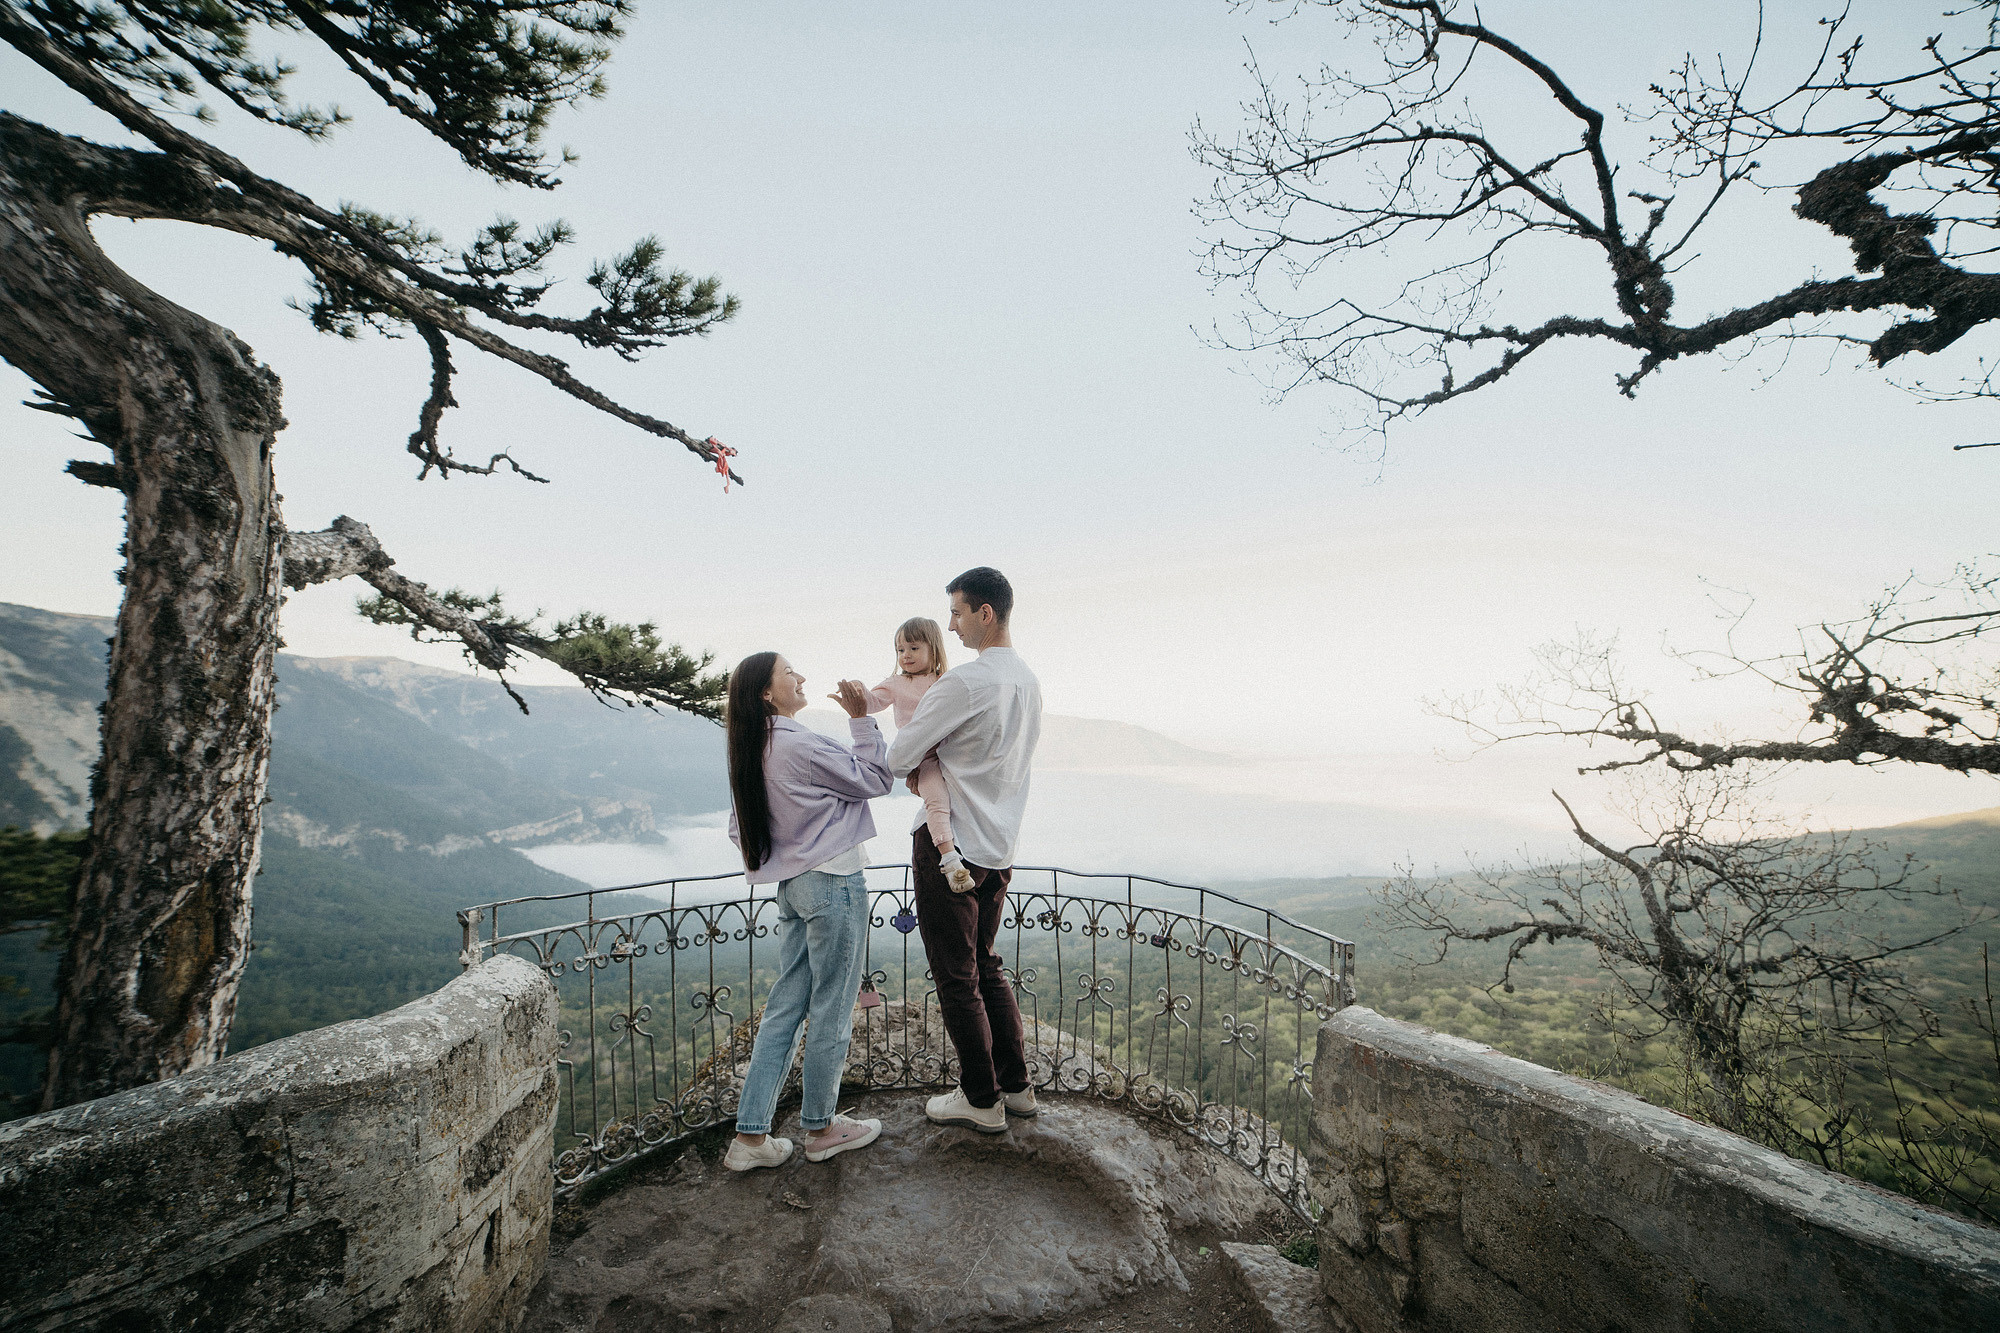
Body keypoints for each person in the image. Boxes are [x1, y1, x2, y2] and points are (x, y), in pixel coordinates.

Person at [886, 567, 1043, 1134]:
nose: (950, 627)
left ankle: (981, 1099)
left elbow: (900, 755)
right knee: (986, 965)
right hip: (1000, 846)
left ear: (985, 614)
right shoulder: (1027, 681)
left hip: (952, 846)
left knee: (956, 976)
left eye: (956, 613)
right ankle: (1017, 1088)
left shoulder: (965, 684)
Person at [723, 652, 890, 1171]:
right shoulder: (799, 741)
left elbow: (739, 829)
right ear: (768, 694)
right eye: (790, 672)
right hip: (834, 881)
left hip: (791, 887)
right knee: (833, 1008)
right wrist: (862, 718)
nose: (801, 676)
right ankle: (820, 1128)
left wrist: (792, 848)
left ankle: (750, 1139)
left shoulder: (750, 748)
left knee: (785, 1007)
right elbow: (876, 778)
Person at [865, 616, 976, 893]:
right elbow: (871, 702)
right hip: (924, 759)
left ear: (933, 648)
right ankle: (950, 859)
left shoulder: (946, 681)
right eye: (900, 650)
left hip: (950, 752)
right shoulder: (895, 683)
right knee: (937, 801)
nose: (906, 656)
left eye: (914, 648)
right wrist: (855, 694)